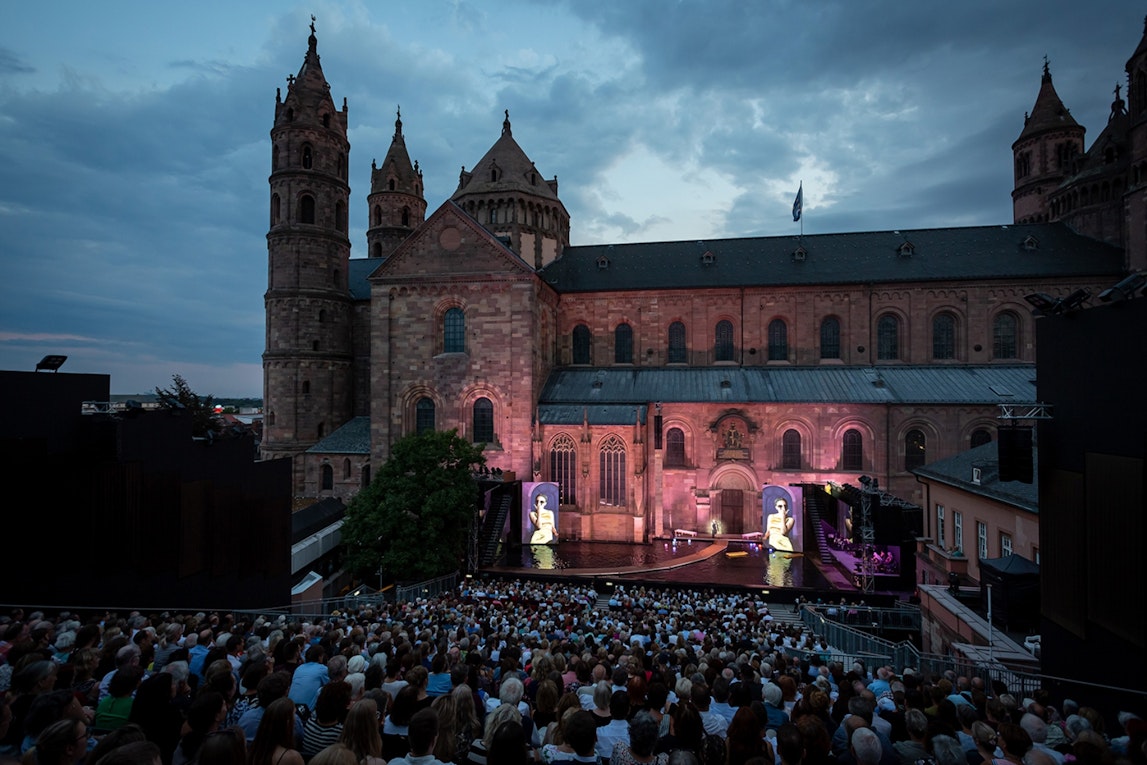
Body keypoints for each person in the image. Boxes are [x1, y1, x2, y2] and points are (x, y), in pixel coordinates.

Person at [249, 697, 304, 765]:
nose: (296, 719)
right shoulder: (292, 757)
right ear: (288, 723)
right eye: (294, 715)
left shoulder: (254, 749)